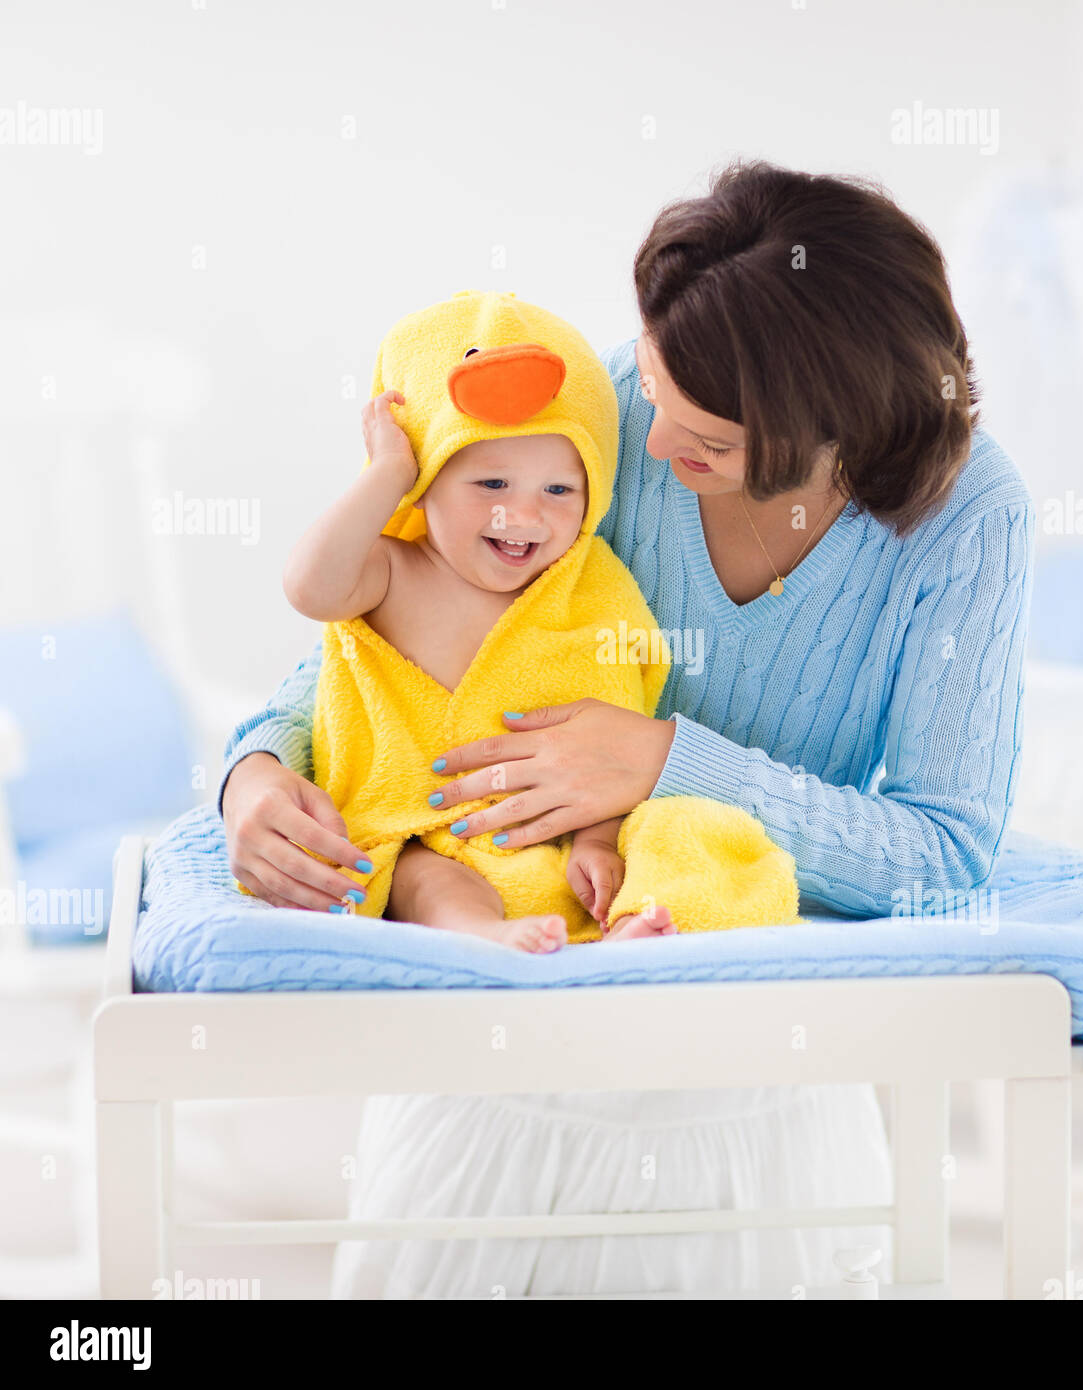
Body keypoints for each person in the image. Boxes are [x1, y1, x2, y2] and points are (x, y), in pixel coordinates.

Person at [220, 159, 1032, 1296]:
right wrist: (253, 771)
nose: (649, 450)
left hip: (751, 1064)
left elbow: (943, 855)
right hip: (508, 1030)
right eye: (651, 389)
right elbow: (384, 641)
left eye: (704, 440)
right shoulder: (602, 415)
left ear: (834, 432)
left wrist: (659, 764)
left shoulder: (967, 519)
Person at [272, 288, 799, 951]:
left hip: (561, 839)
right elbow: (309, 588)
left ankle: (641, 924)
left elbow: (612, 728)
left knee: (687, 830)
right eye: (490, 485)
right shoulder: (391, 570)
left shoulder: (588, 589)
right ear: (425, 479)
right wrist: (387, 471)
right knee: (422, 876)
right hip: (439, 832)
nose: (521, 516)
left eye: (558, 490)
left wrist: (598, 843)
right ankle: (482, 935)